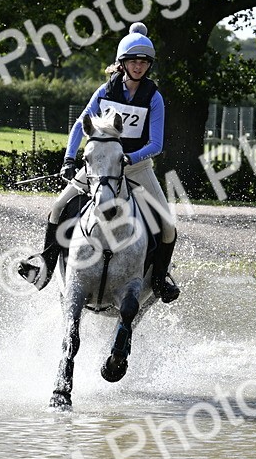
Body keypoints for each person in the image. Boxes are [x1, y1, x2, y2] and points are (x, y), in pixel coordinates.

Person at [17, 22, 181, 303]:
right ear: (123, 63)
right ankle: (44, 265)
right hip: (102, 167)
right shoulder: (105, 92)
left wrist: (130, 158)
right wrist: (70, 159)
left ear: (148, 65)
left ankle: (158, 279)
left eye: (143, 62)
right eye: (133, 61)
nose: (138, 66)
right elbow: (80, 126)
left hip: (137, 168)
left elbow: (156, 144)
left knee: (168, 226)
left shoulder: (153, 98)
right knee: (58, 207)